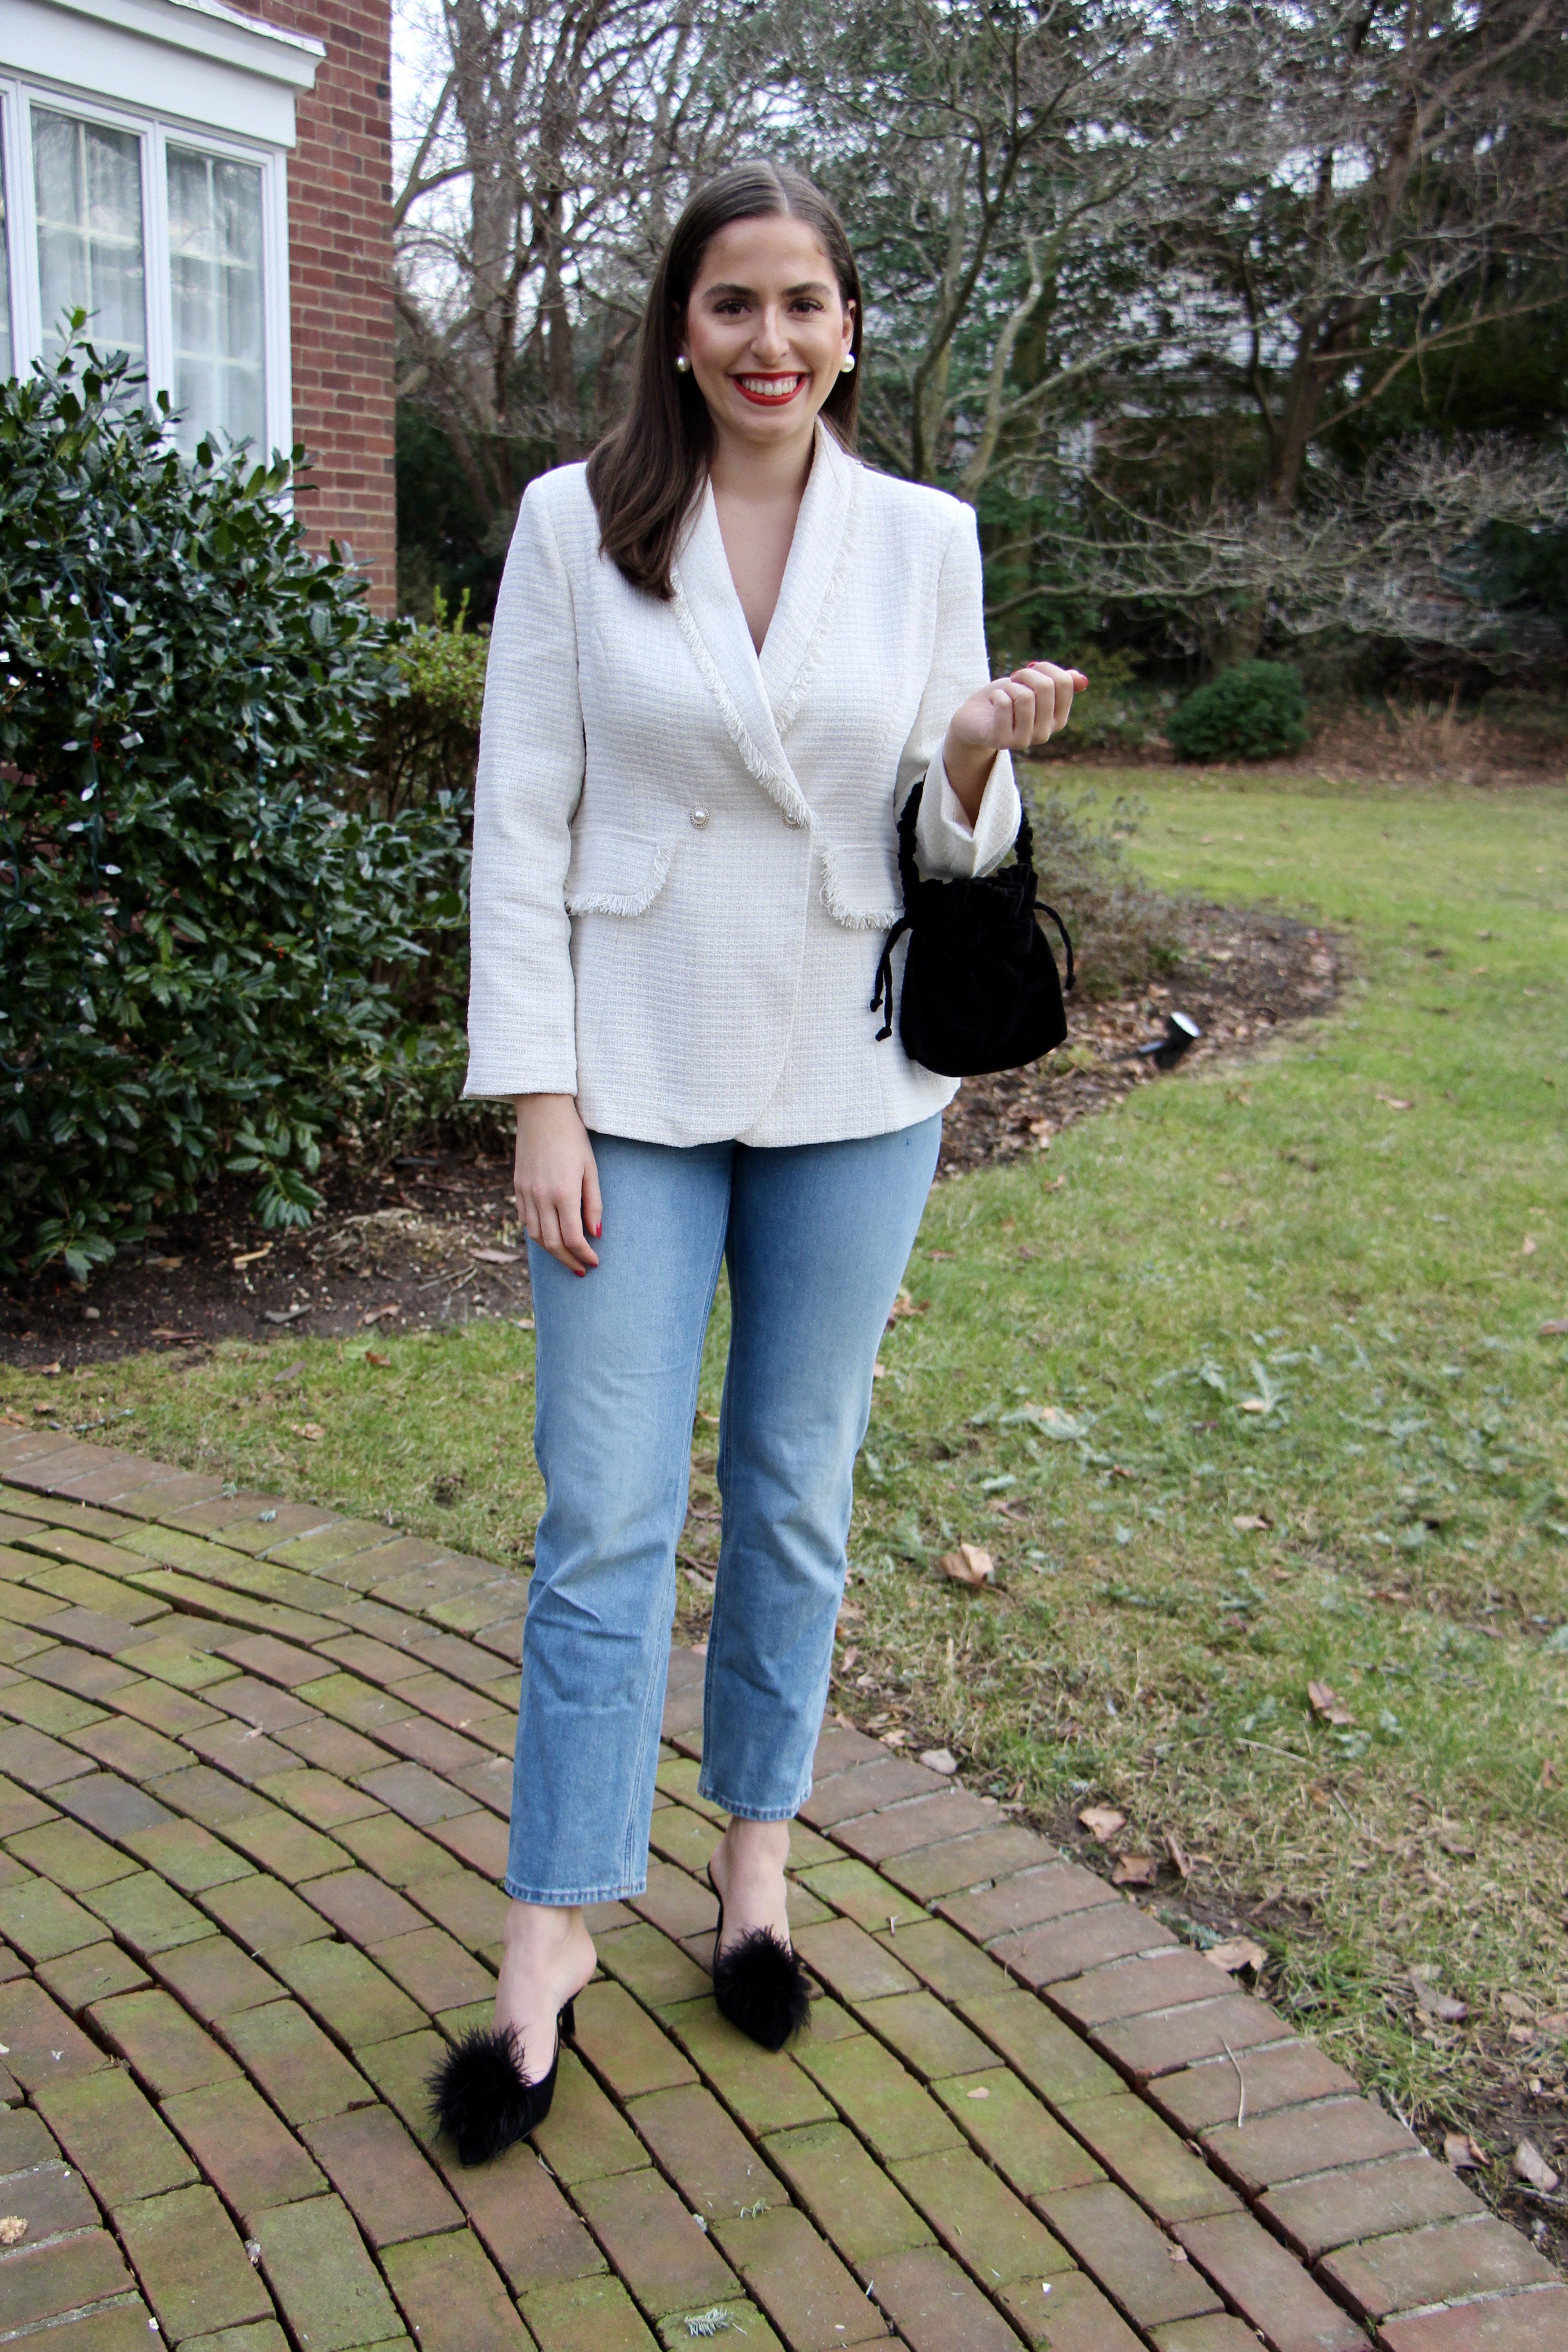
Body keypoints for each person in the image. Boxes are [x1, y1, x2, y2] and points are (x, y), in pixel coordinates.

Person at [435, 159, 1083, 2165]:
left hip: (854, 1077)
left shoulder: (923, 535)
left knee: (797, 1493)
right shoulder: (577, 519)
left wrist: (978, 746)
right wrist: (537, 1090)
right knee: (606, 1516)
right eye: (735, 305)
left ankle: (758, 1871)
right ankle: (548, 1937)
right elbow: (520, 813)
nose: (772, 342)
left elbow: (944, 841)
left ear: (853, 327)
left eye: (806, 304)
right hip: (624, 1073)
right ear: (681, 326)